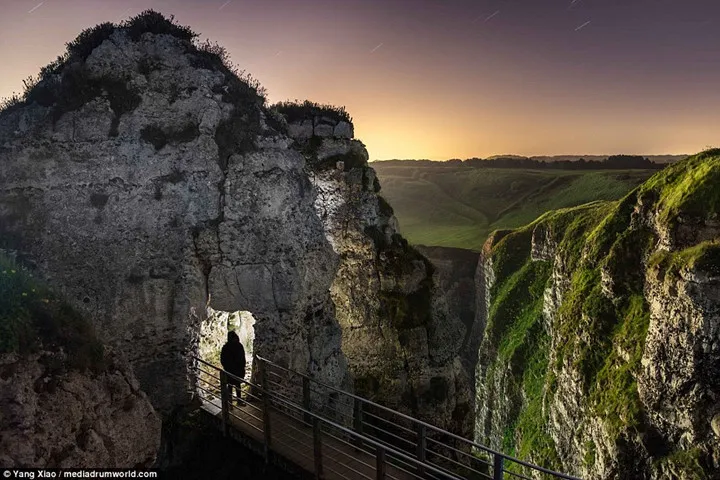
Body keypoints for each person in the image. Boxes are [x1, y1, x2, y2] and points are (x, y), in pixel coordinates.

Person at [220, 331, 246, 404]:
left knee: (230, 386)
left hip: (229, 370)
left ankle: (230, 402)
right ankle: (239, 400)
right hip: (238, 370)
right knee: (237, 386)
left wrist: (226, 367)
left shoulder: (226, 347)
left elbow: (222, 359)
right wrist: (242, 367)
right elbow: (242, 358)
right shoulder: (239, 346)